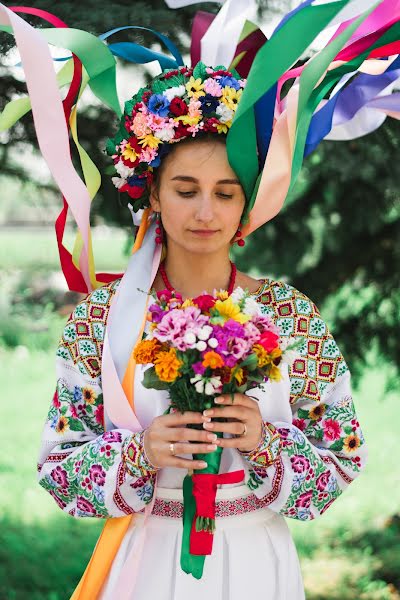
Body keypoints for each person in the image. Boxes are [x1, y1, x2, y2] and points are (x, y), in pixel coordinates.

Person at [36, 62, 368, 600]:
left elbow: (342, 459)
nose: (205, 212)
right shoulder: (105, 318)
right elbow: (57, 467)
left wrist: (265, 444)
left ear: (247, 203)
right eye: (185, 190)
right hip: (144, 559)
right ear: (153, 195)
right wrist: (141, 451)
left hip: (257, 564)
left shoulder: (288, 316)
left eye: (226, 192)